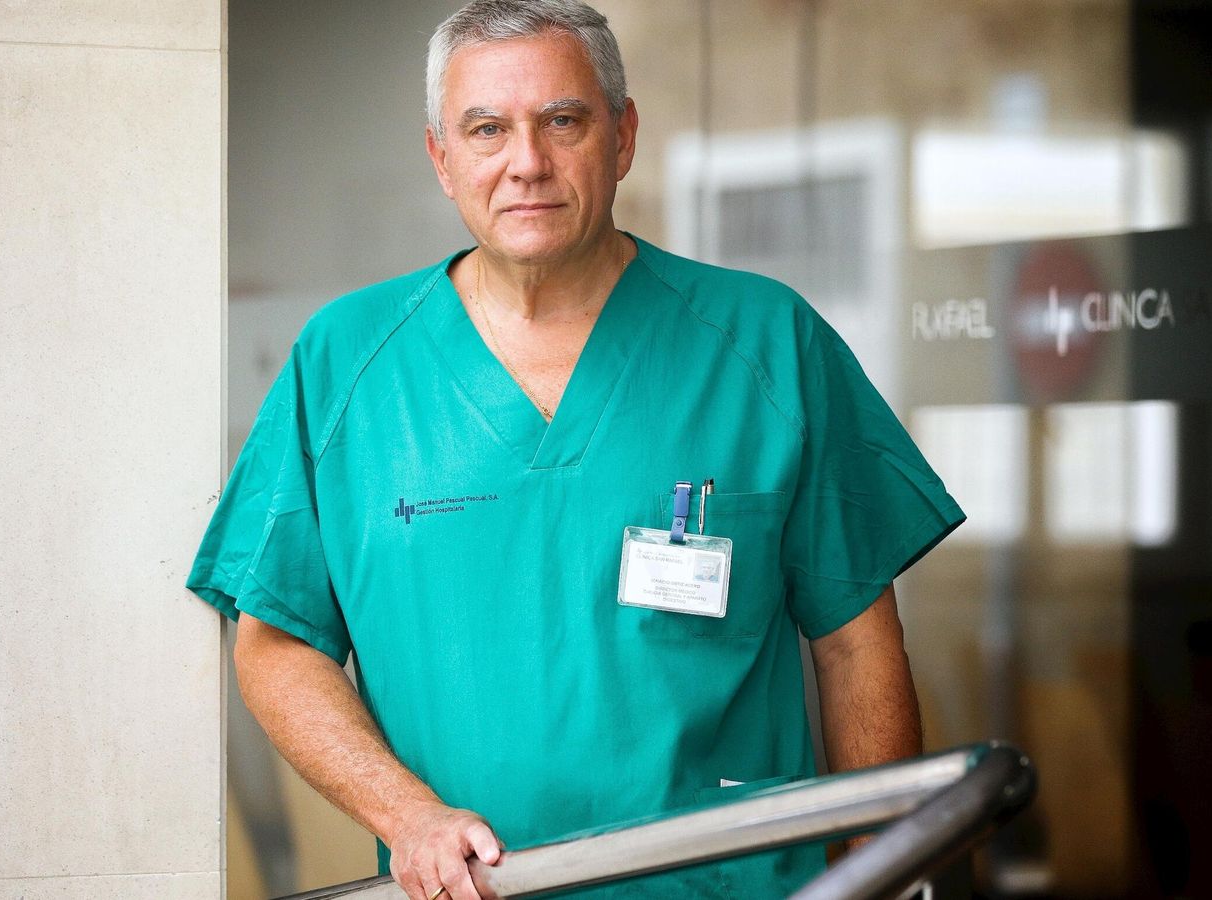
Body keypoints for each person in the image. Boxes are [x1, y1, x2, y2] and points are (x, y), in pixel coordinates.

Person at [186, 1, 965, 897]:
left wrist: (880, 867)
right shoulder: (346, 363)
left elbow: (856, 645)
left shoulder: (765, 342)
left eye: (563, 121)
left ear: (623, 137)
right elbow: (275, 645)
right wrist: (405, 814)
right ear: (441, 158)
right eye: (487, 130)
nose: (528, 163)